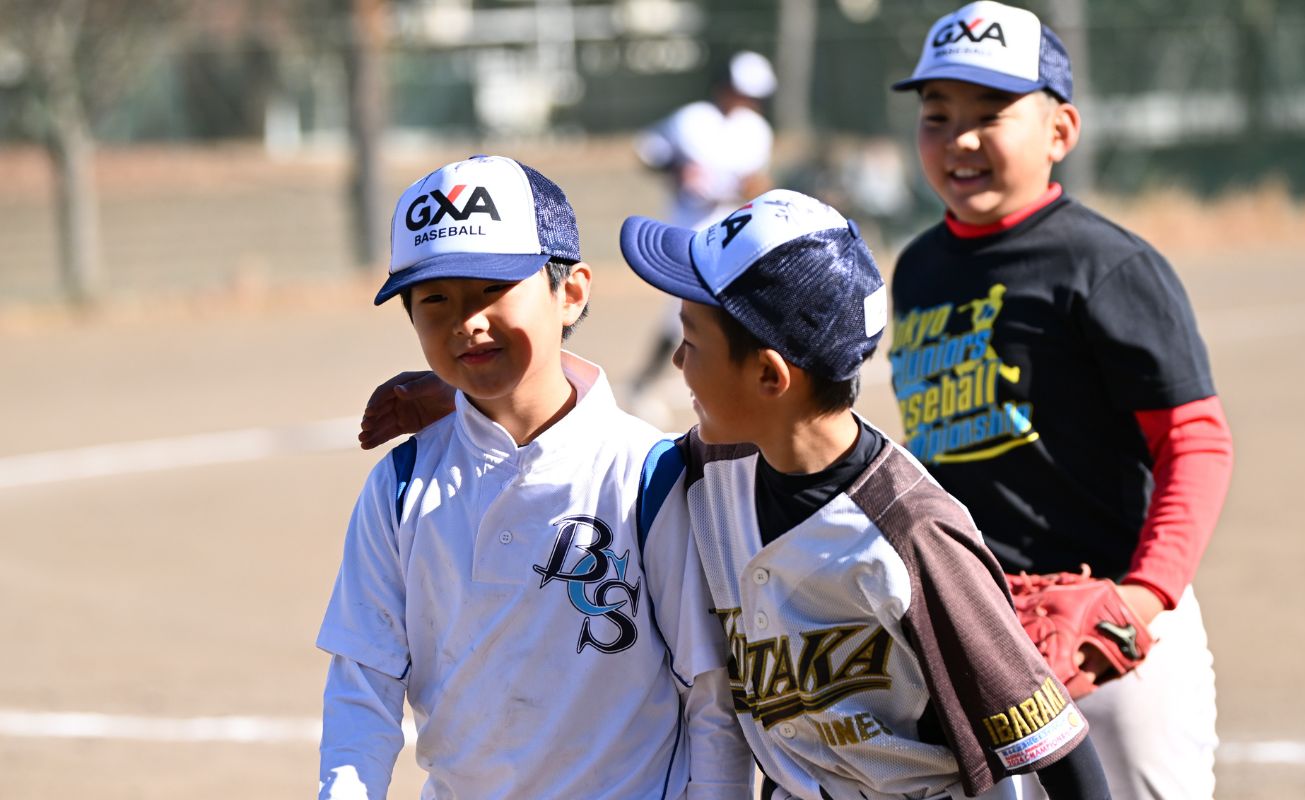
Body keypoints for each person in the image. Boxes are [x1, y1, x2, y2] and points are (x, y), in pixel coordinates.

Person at [618, 189, 1112, 800]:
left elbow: (1056, 745)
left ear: (771, 375)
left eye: (692, 343)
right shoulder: (711, 470)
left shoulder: (910, 530)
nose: (675, 358)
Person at [317, 155, 749, 799]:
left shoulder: (646, 476)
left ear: (570, 291)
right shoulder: (403, 484)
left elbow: (712, 694)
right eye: (435, 299)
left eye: (492, 289)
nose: (468, 321)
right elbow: (364, 680)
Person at [888, 4, 1235, 798]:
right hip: (979, 624)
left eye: (991, 114)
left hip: (1110, 624)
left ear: (1060, 131)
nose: (960, 139)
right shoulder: (919, 269)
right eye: (937, 116)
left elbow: (1195, 441)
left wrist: (1141, 600)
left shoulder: (1104, 264)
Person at [626, 50, 779, 424]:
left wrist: (753, 187)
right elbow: (646, 151)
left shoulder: (756, 130)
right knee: (680, 317)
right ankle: (644, 383)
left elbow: (755, 182)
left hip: (735, 234)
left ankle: (734, 382)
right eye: (741, 91)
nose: (746, 100)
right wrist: (674, 169)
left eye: (753, 95)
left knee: (740, 308)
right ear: (724, 86)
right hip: (690, 232)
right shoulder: (693, 120)